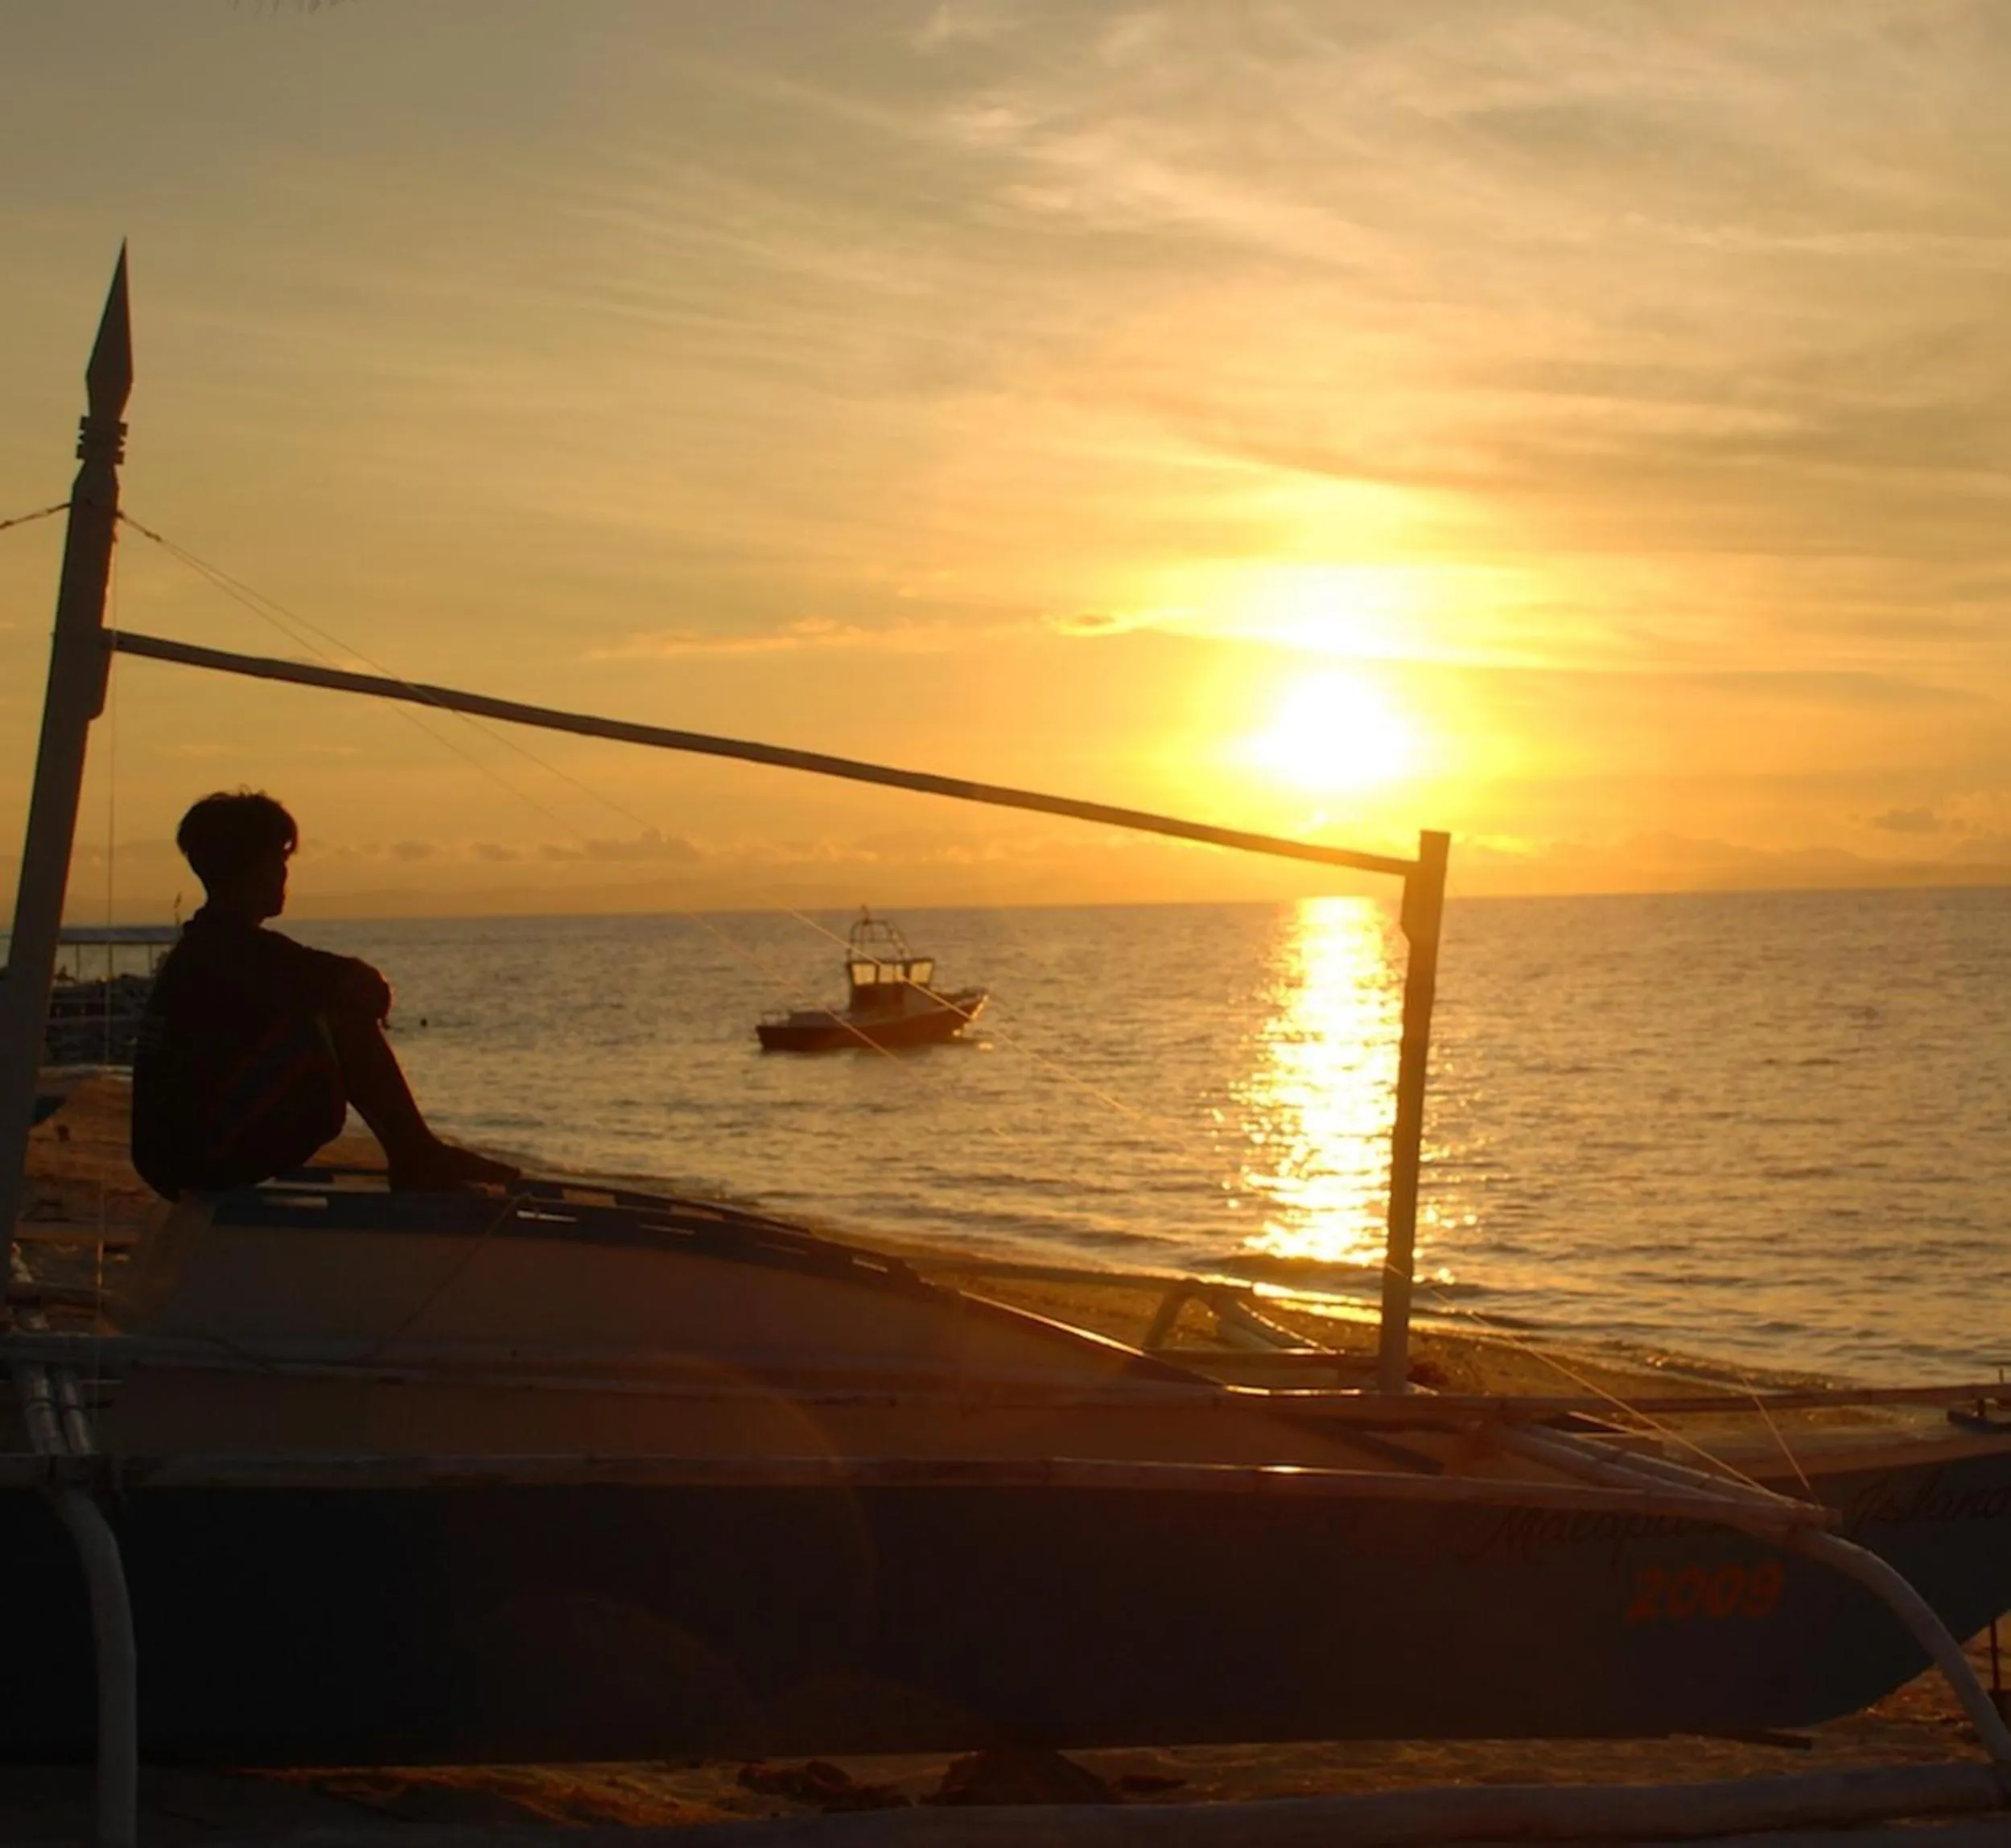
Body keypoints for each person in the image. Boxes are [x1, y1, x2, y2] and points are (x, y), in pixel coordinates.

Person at [131, 790, 519, 1199]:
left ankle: (416, 1151)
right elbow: (364, 990)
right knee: (338, 1015)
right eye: (279, 859)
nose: (284, 873)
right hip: (198, 1156)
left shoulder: (207, 947)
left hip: (171, 1158)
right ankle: (415, 1153)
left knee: (325, 1006)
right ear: (253, 868)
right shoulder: (237, 951)